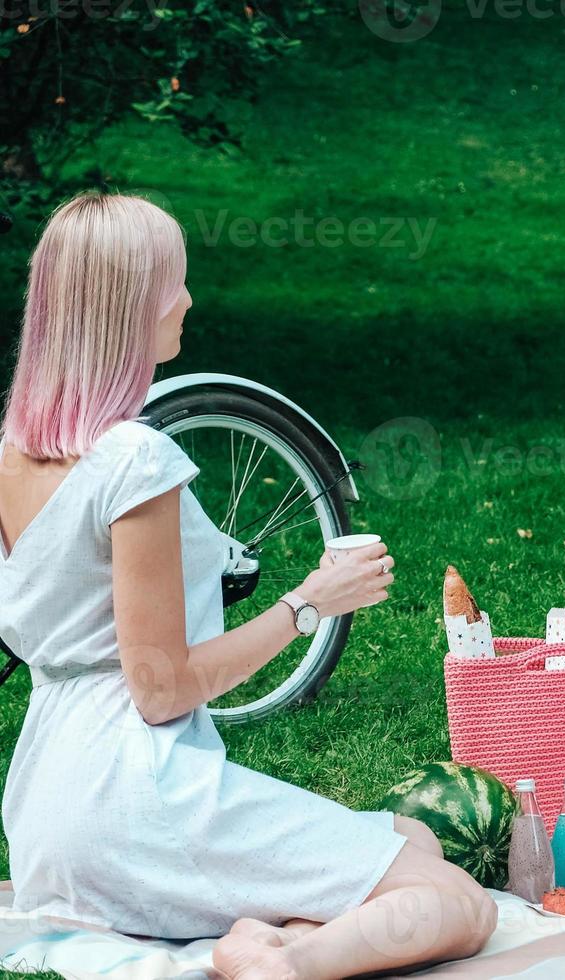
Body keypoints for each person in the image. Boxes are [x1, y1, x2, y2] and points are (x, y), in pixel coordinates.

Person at [0, 193, 495, 980]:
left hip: (43, 813)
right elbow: (162, 690)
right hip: (137, 796)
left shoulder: (13, 452)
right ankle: (276, 967)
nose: (189, 300)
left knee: (416, 841)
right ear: (128, 306)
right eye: (174, 283)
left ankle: (261, 940)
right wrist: (309, 604)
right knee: (466, 906)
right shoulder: (133, 461)